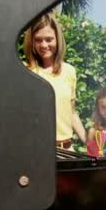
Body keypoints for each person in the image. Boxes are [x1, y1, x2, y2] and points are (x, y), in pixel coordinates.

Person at [23, 13, 86, 149]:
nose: (44, 45)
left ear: (57, 39)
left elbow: (71, 112)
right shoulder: (25, 71)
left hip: (66, 151)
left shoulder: (69, 71)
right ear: (32, 42)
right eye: (38, 40)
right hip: (37, 151)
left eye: (49, 39)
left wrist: (89, 142)